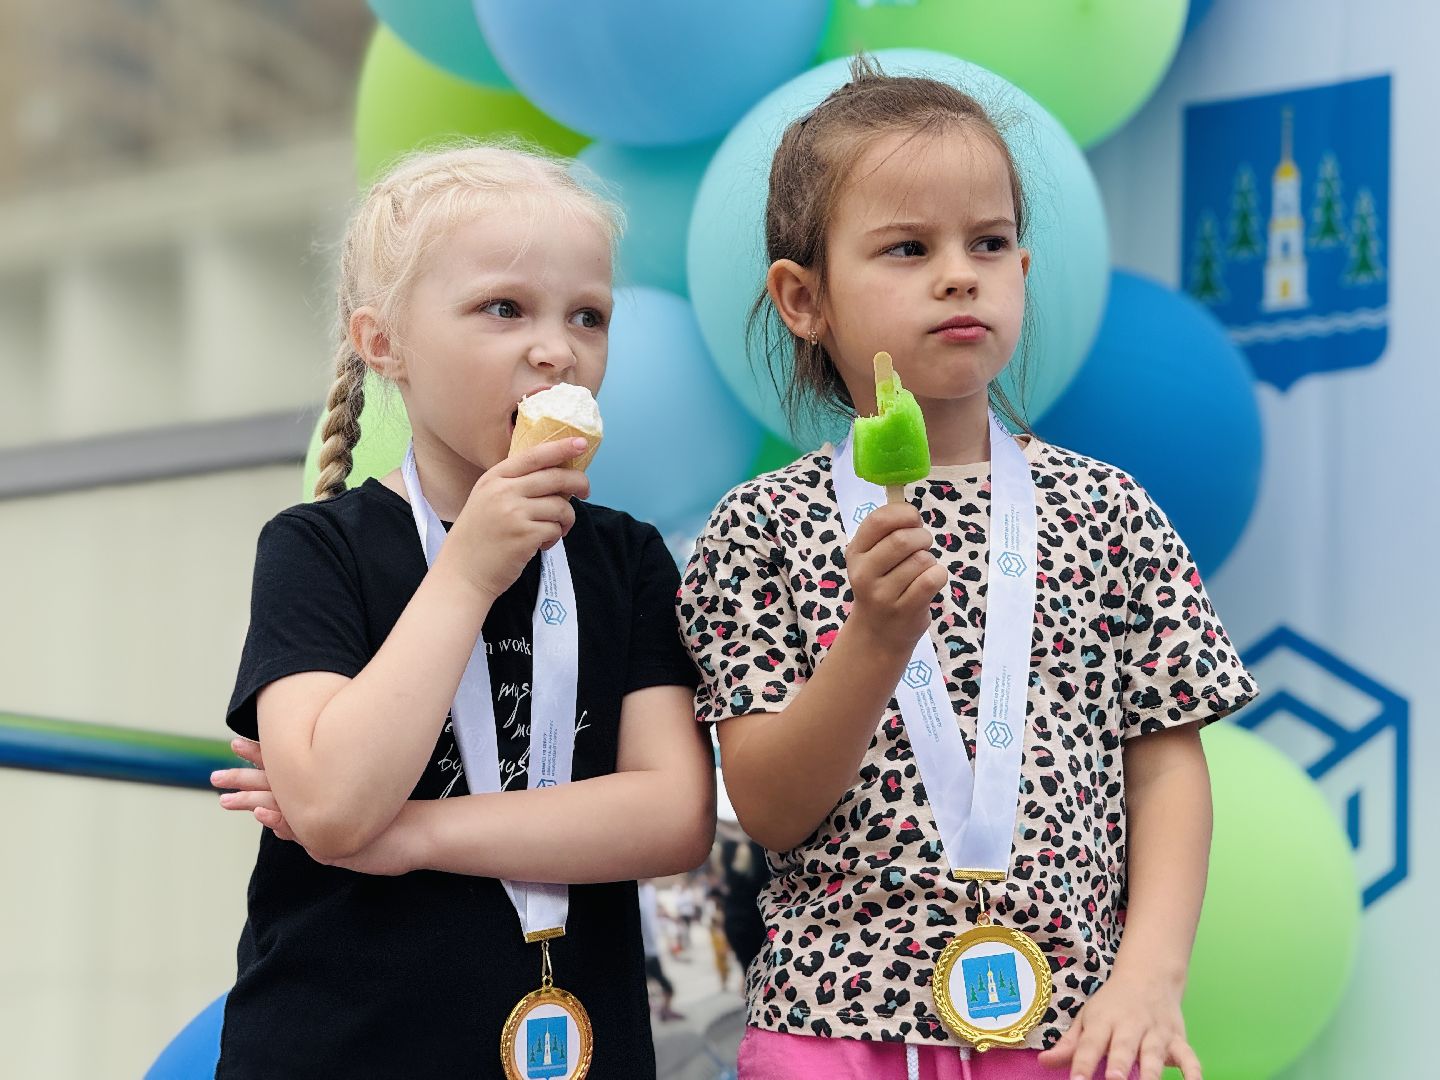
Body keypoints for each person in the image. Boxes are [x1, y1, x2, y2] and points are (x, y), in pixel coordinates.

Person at [676, 58, 1256, 1080]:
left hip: (1069, 1028)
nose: (959, 274)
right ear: (803, 298)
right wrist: (873, 642)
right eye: (909, 248)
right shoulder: (759, 526)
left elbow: (1166, 765)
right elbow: (767, 805)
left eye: (987, 244)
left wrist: (1149, 976)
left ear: (1022, 272)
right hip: (830, 1023)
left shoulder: (1111, 510)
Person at [208, 142, 715, 1078]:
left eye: (588, 316)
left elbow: (672, 814)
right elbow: (333, 805)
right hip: (343, 1051)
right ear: (383, 342)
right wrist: (468, 572)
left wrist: (410, 836)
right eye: (503, 309)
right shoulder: (317, 548)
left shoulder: (625, 557)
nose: (557, 349)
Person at [640, 881, 686, 1022]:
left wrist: (671, 918)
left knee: (664, 986)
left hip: (652, 950)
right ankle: (662, 1010)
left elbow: (658, 909)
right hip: (645, 952)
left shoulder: (649, 890)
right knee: (663, 986)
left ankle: (664, 1010)